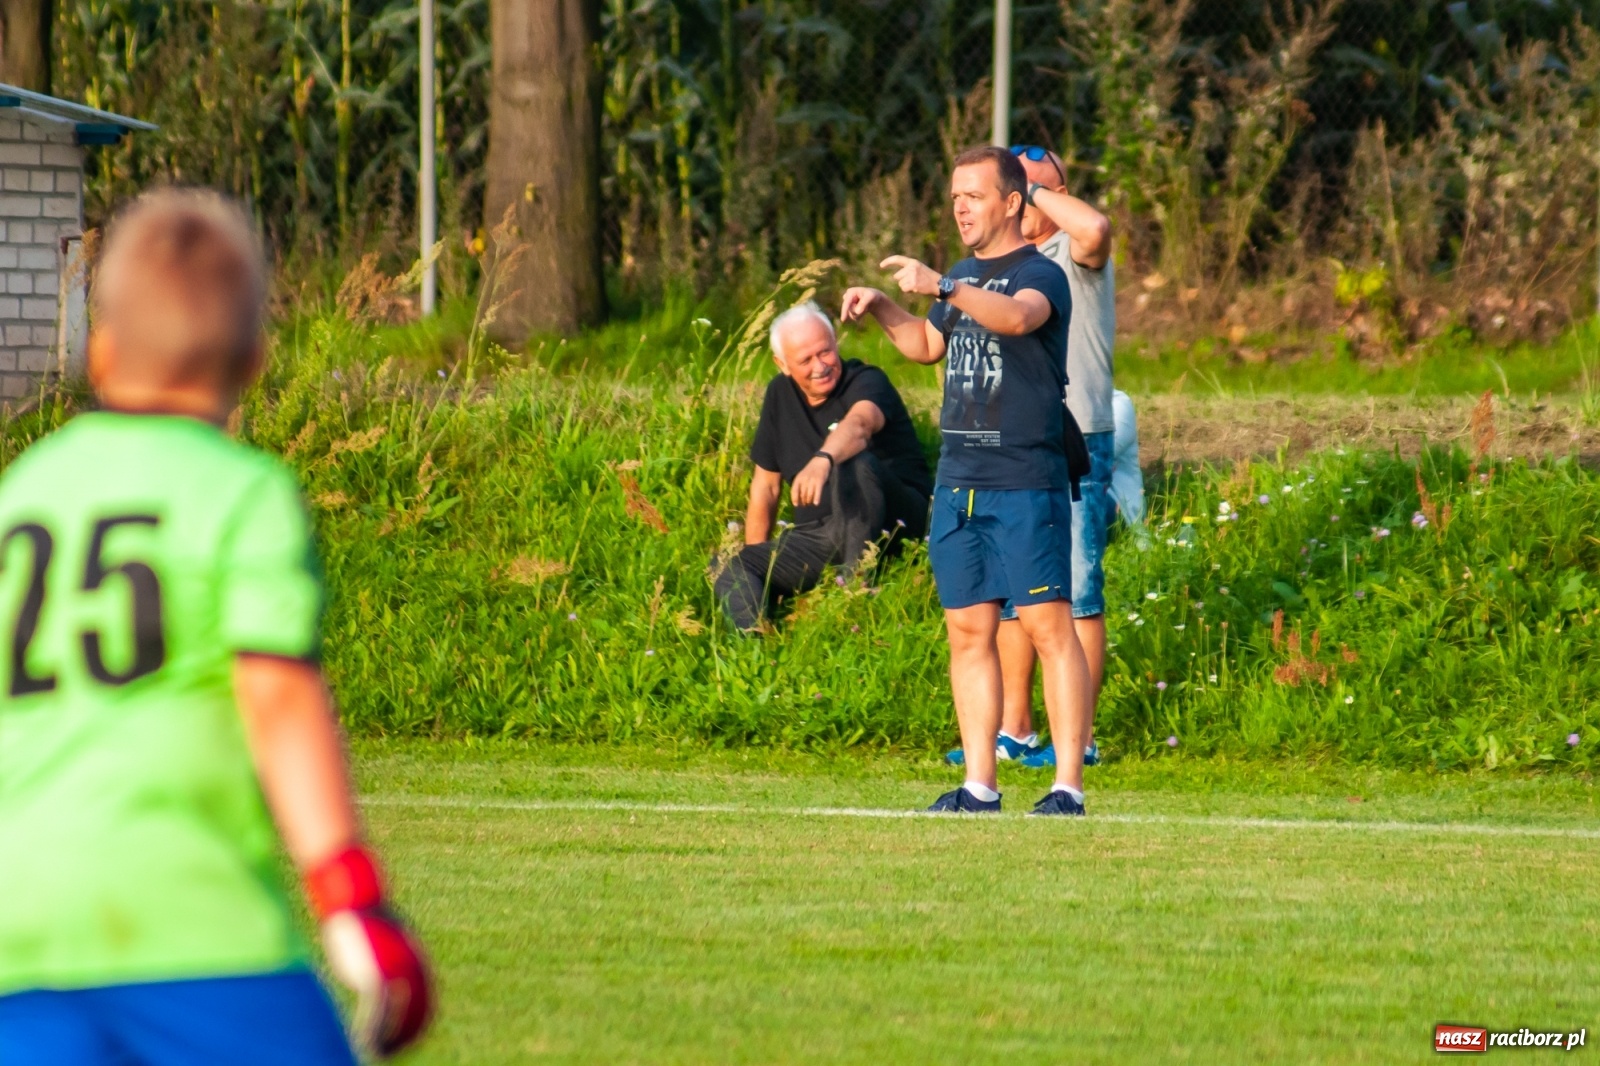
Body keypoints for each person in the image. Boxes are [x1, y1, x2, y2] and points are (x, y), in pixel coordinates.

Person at [0, 190, 432, 1064]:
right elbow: (275, 699)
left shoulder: (23, 494)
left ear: (101, 349)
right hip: (193, 925)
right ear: (254, 363)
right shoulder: (242, 494)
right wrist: (352, 897)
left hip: (20, 940)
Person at [841, 145, 1094, 816]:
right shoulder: (956, 275)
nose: (960, 206)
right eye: (955, 195)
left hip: (1025, 476)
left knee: (1047, 626)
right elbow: (928, 346)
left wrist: (943, 288)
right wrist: (884, 310)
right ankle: (981, 784)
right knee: (967, 631)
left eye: (974, 195)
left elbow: (1015, 320)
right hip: (961, 481)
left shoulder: (1043, 274)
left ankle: (1066, 785)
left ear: (1012, 202)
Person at [986, 144, 1118, 770]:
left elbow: (1094, 227)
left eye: (1044, 189)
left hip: (1078, 437)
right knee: (1016, 598)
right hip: (1014, 443)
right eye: (1021, 186)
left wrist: (1032, 189)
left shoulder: (1075, 253)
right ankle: (1015, 731)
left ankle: (1080, 740)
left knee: (1078, 595)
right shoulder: (1004, 263)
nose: (1032, 198)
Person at [715, 302, 932, 632]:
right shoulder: (778, 395)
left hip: (893, 519)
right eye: (805, 360)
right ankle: (755, 643)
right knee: (731, 566)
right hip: (821, 533)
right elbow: (766, 487)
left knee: (854, 463)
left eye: (826, 352)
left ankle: (856, 591)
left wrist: (824, 459)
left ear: (836, 344)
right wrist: (763, 567)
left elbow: (860, 424)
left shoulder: (867, 380)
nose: (821, 366)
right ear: (783, 365)